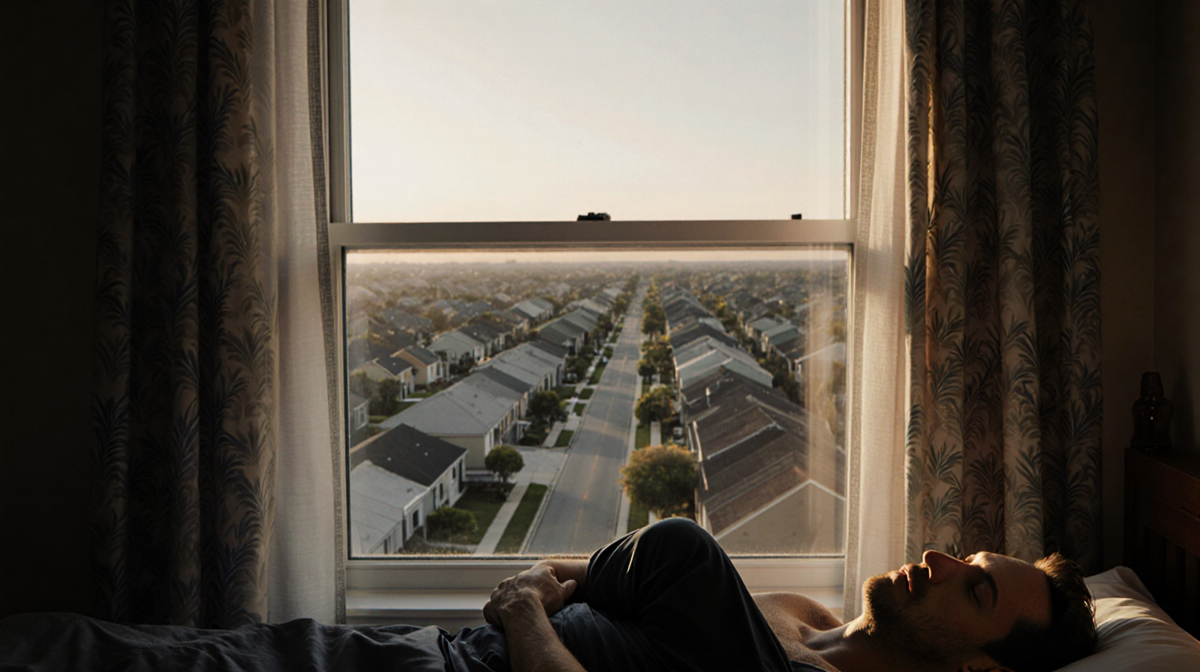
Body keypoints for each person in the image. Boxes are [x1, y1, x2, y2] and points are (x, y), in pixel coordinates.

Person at [478, 517, 1098, 672]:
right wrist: (531, 582)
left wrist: (525, 612)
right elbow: (568, 574)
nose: (938, 561)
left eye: (975, 589)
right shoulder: (805, 613)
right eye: (965, 558)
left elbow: (534, 596)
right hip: (445, 644)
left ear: (981, 670)